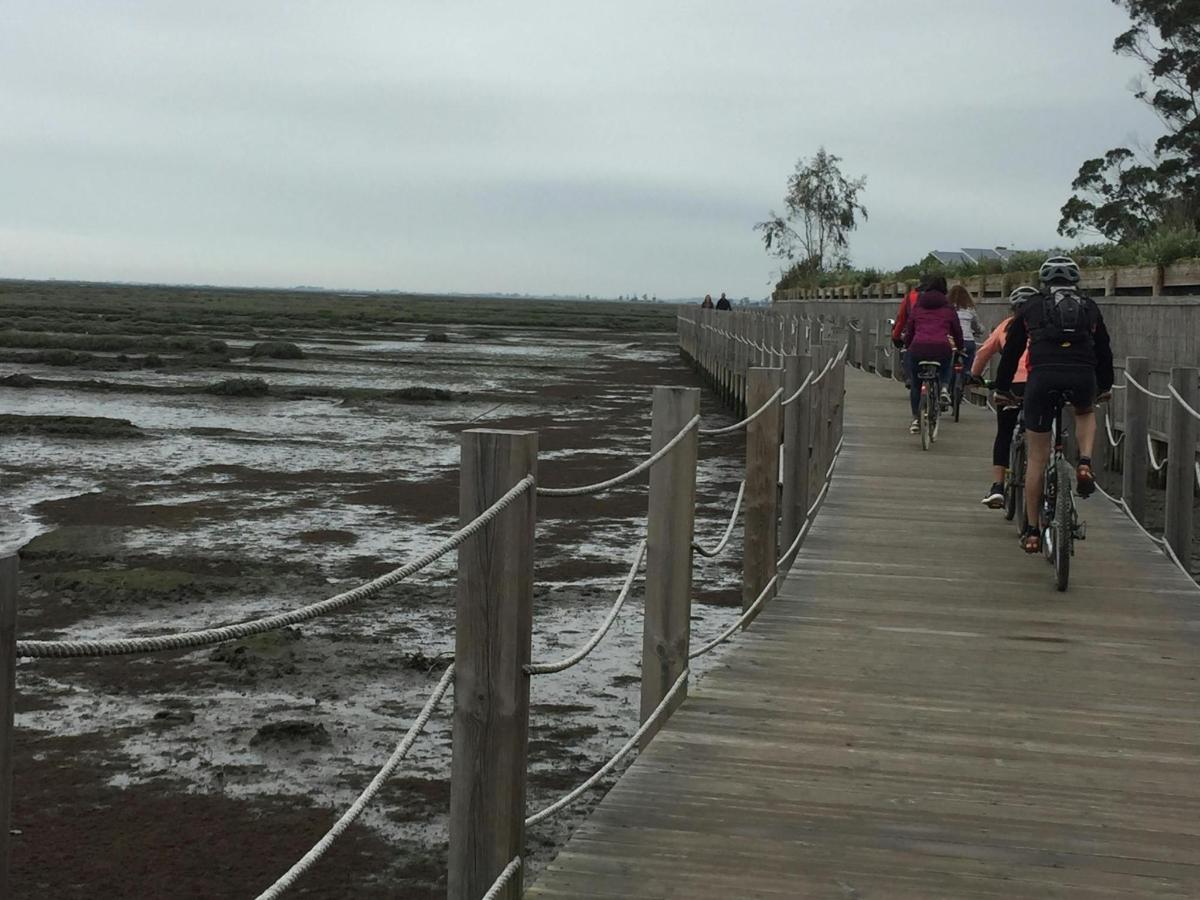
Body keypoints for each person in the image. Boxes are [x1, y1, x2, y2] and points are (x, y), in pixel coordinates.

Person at [993, 256, 1114, 553]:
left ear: (1044, 282)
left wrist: (1002, 388)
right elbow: (1104, 350)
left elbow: (1012, 351)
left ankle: (1033, 532)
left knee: (1036, 458)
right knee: (1085, 411)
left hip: (1042, 378)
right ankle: (1084, 462)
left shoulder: (1031, 306)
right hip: (1082, 374)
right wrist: (1105, 385)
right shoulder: (1089, 307)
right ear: (1076, 282)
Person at [972, 285, 1039, 506]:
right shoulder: (1046, 325)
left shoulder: (1007, 326)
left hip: (1012, 385)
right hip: (1041, 383)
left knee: (1005, 432)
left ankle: (998, 486)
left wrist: (974, 376)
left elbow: (984, 352)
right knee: (1042, 433)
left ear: (1013, 309)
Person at [901, 274, 963, 434]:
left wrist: (908, 346)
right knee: (947, 361)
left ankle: (915, 419)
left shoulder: (918, 306)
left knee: (915, 383)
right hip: (941, 347)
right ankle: (943, 387)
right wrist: (960, 347)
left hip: (918, 348)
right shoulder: (948, 308)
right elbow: (957, 331)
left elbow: (910, 329)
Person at [948, 284, 984, 373]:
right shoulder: (970, 309)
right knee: (968, 365)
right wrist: (979, 331)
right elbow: (978, 327)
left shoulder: (947, 309)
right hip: (968, 341)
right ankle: (966, 379)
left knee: (948, 364)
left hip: (951, 342)